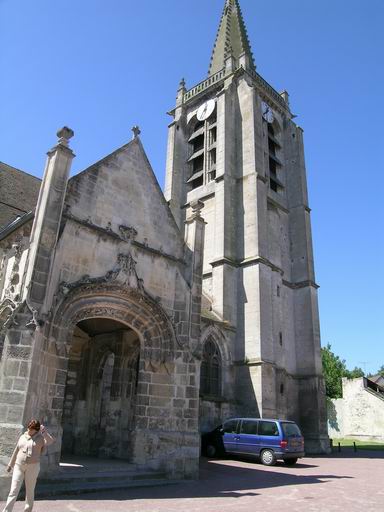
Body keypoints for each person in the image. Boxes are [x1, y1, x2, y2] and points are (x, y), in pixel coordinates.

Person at [2, 419, 55, 512]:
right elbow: (16, 450)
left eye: (32, 429)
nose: (29, 431)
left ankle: (27, 510)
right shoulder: (23, 436)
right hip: (19, 466)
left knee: (30, 491)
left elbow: (50, 441)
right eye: (29, 428)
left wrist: (44, 432)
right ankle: (6, 511)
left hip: (33, 467)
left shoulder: (41, 438)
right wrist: (10, 465)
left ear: (37, 430)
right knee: (13, 490)